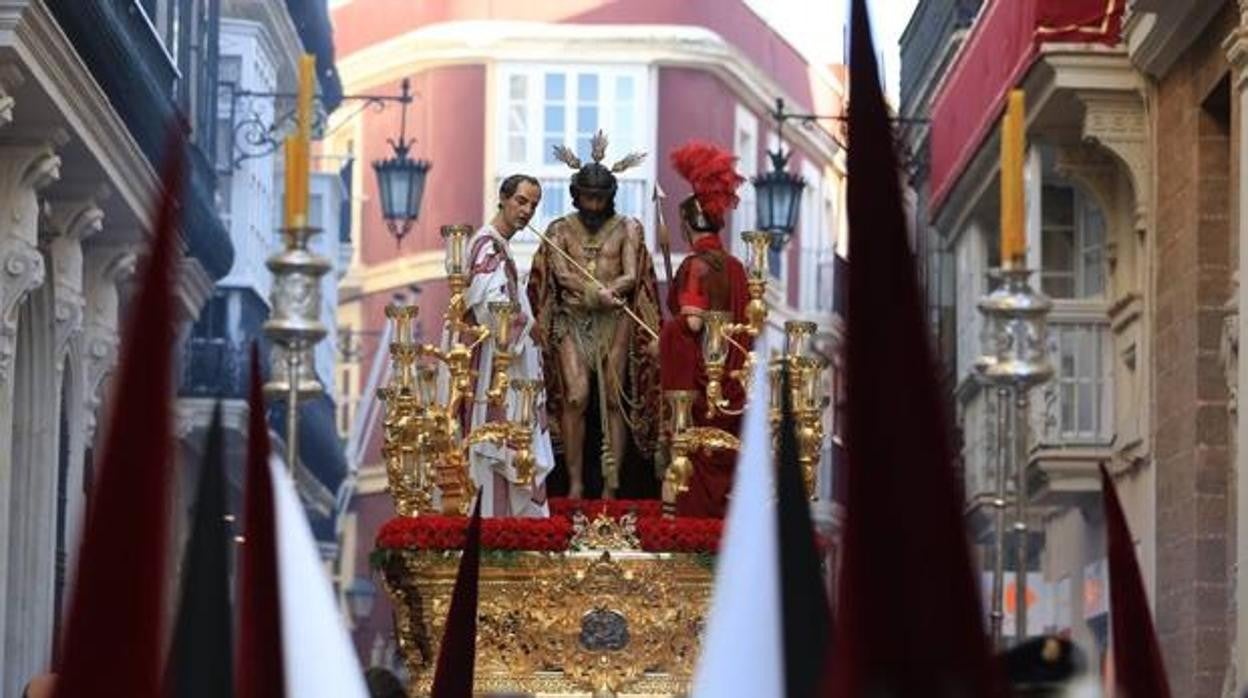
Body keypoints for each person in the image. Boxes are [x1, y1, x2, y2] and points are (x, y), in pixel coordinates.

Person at [527, 130, 662, 499]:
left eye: (600, 198)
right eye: (587, 197)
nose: (594, 204)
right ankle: (573, 482)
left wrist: (610, 293)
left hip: (614, 320)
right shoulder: (558, 231)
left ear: (610, 197)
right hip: (572, 319)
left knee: (615, 398)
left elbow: (632, 275)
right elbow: (560, 274)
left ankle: (611, 485)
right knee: (576, 396)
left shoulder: (628, 228)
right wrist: (591, 292)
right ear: (576, 194)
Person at [449, 174, 555, 516]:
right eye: (521, 201)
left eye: (533, 205)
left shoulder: (500, 247)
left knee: (502, 449)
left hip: (502, 365)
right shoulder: (486, 245)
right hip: (490, 369)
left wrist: (530, 324)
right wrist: (528, 329)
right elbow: (490, 309)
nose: (527, 211)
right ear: (503, 199)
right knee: (490, 448)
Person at [658, 141, 751, 518]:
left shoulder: (695, 267)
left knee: (687, 470)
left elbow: (693, 322)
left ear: (686, 225)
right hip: (733, 385)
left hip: (698, 390)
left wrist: (665, 335)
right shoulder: (736, 268)